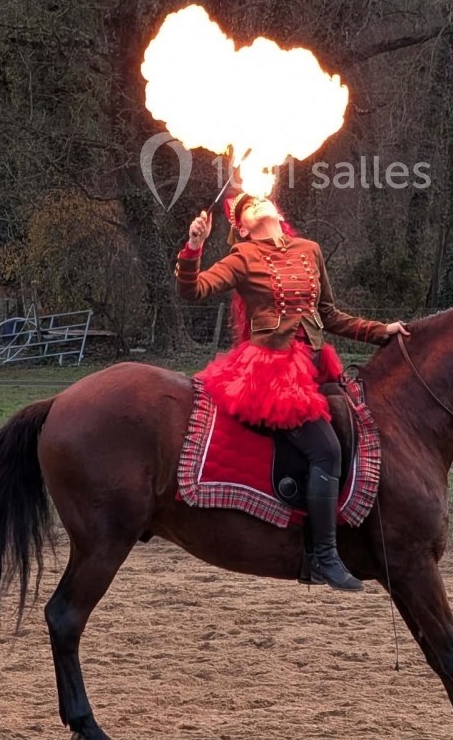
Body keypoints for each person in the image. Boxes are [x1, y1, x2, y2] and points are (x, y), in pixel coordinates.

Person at [175, 191, 409, 591]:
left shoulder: (309, 249)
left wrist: (378, 331)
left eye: (262, 198)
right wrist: (194, 247)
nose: (260, 201)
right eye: (248, 206)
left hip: (316, 366)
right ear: (242, 227)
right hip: (271, 372)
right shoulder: (243, 256)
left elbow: (329, 314)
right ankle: (323, 556)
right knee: (325, 450)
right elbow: (191, 291)